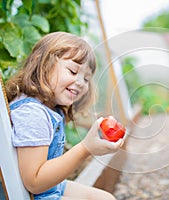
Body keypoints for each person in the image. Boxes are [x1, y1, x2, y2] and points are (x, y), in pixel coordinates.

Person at [5, 32, 123, 200]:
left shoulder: (49, 109)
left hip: (48, 189)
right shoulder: (32, 114)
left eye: (87, 78)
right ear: (43, 64)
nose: (81, 82)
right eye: (73, 71)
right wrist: (86, 148)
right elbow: (34, 182)